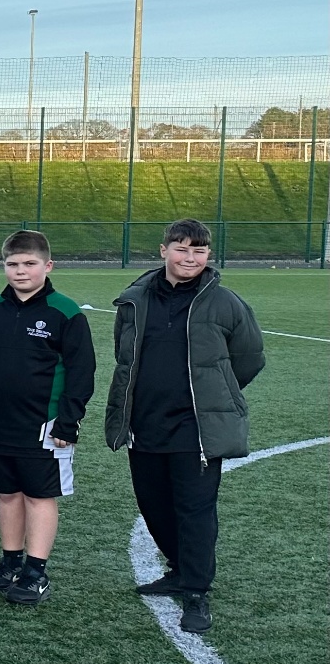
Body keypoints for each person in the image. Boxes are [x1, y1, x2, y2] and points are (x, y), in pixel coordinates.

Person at [104, 218, 263, 635]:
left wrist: (216, 393)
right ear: (164, 251)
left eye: (199, 250)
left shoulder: (225, 302)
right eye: (181, 248)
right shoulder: (135, 298)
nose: (189, 257)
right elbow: (123, 353)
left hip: (196, 429)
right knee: (153, 503)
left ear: (208, 256)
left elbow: (249, 357)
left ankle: (196, 590)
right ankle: (178, 569)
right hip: (145, 423)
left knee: (195, 509)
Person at [0, 230, 97, 608]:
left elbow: (81, 372)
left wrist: (68, 421)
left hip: (45, 424)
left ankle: (36, 571)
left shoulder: (65, 312)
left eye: (29, 264)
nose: (20, 271)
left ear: (47, 266)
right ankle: (10, 561)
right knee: (7, 493)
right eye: (12, 264)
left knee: (39, 496)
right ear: (3, 266)